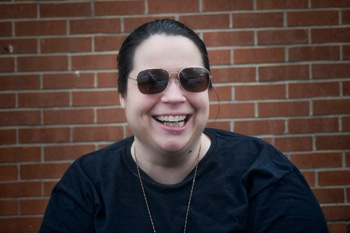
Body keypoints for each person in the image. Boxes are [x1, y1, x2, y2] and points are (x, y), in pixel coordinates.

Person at [40, 19, 328, 233]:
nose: (175, 97)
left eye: (192, 78)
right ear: (122, 96)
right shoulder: (85, 186)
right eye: (151, 80)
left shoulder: (265, 175)